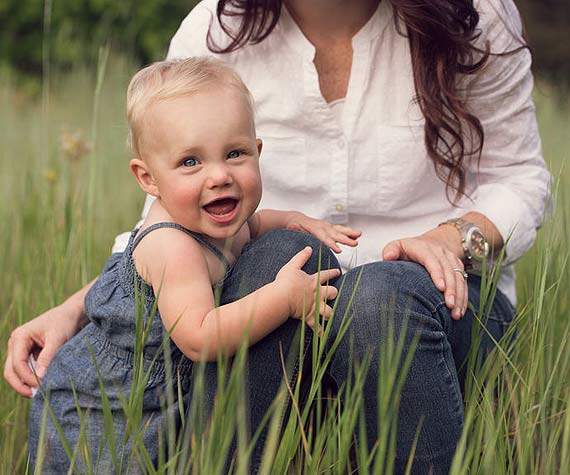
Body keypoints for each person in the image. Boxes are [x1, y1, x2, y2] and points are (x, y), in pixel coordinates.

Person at [5, 0, 551, 473]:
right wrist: (77, 308)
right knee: (279, 256)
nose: (217, 172)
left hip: (434, 303)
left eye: (236, 155)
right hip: (274, 314)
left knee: (377, 298)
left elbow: (522, 178)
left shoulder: (473, 17)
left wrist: (454, 238)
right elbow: (171, 230)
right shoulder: (214, 32)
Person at [27, 57, 361, 473]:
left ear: (258, 152)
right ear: (148, 179)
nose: (219, 175)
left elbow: (256, 223)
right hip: (105, 404)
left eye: (235, 154)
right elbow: (200, 337)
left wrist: (300, 221)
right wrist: (284, 297)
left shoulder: (219, 219)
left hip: (164, 393)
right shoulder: (172, 245)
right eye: (191, 162)